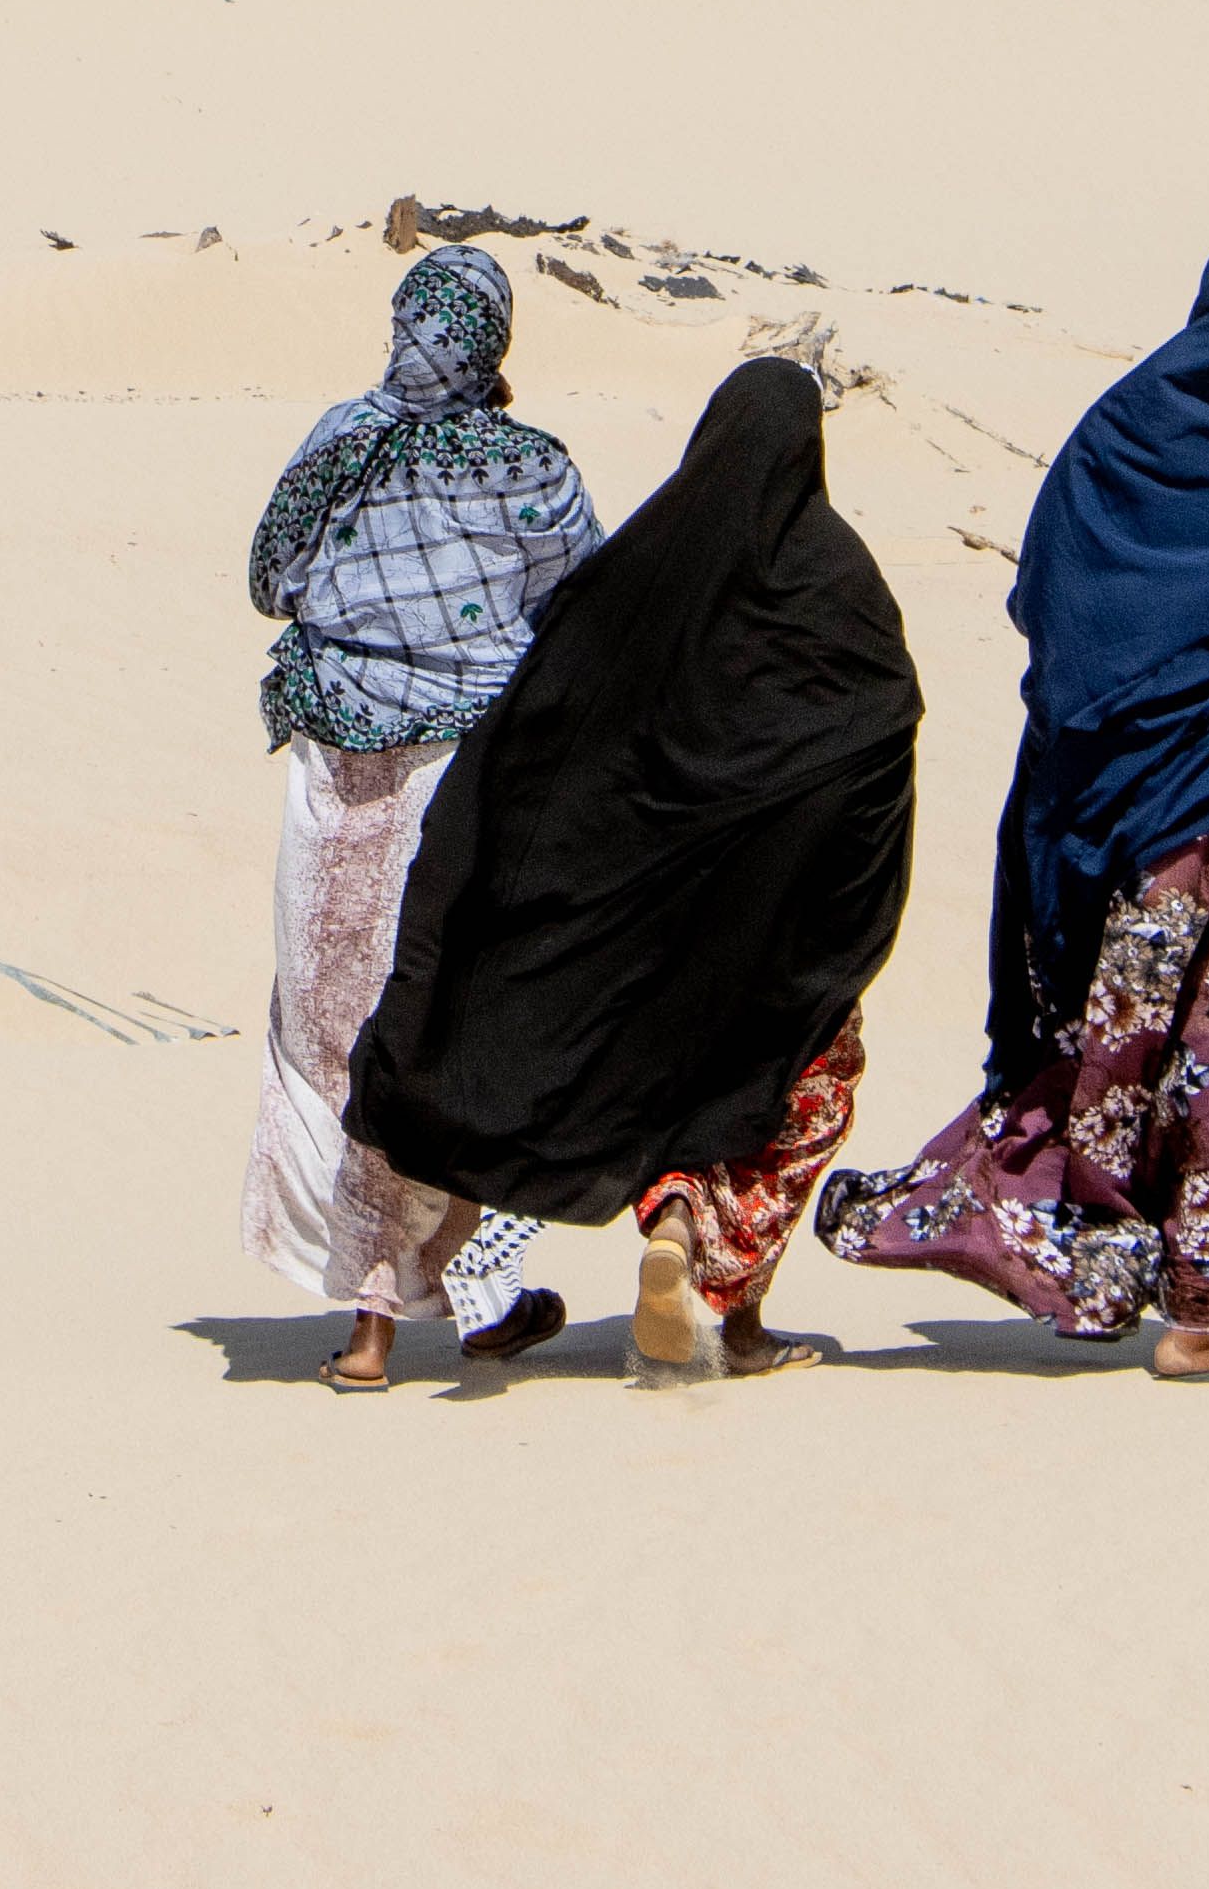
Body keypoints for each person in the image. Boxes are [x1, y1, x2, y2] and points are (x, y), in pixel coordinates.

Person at [816, 228, 1209, 1382]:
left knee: (1124, 1034)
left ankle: (1091, 1274)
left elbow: (1051, 602)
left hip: (1146, 806)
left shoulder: (1119, 432)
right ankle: (1192, 1313)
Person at [346, 356, 920, 1385]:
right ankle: (731, 1305)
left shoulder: (653, 564)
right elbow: (879, 733)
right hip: (787, 926)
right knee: (801, 1084)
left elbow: (550, 725)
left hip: (656, 929)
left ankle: (672, 1219)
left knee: (672, 1059)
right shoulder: (842, 580)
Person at [240, 245, 599, 1387]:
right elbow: (581, 600)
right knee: (443, 1013)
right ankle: (442, 1289)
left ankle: (373, 1314)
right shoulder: (528, 464)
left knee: (331, 1018)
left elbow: (269, 576)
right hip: (466, 771)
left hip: (331, 763)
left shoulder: (336, 440)